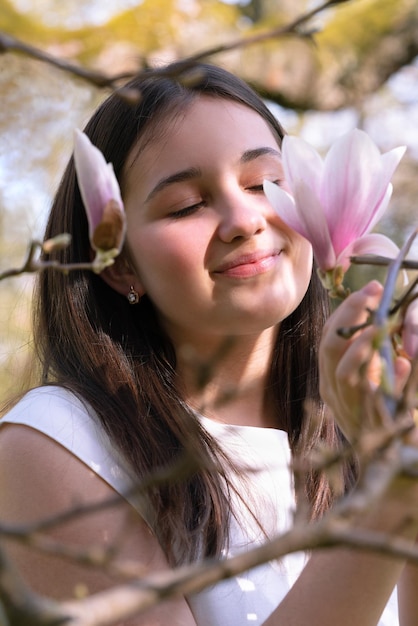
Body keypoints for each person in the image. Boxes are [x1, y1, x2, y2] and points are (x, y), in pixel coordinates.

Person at [0, 62, 417, 626]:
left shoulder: (361, 425)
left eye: (264, 182)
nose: (244, 219)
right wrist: (389, 495)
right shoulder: (57, 443)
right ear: (120, 265)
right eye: (186, 206)